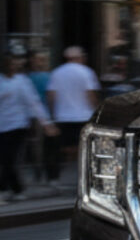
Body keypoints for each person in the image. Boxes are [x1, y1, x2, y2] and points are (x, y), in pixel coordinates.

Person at [0, 43, 58, 202]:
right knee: (5, 159)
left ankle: (10, 189)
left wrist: (46, 123)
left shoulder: (22, 81)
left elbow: (33, 103)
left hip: (17, 125)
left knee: (9, 159)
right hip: (2, 125)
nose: (12, 66)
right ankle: (13, 189)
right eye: (9, 64)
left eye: (14, 63)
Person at [46, 45, 101, 168]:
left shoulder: (56, 72)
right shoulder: (86, 72)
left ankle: (66, 167)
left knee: (65, 145)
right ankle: (80, 168)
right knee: (84, 145)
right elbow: (90, 94)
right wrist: (97, 111)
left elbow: (51, 95)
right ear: (80, 57)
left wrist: (52, 113)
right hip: (84, 115)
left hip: (63, 116)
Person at [28, 50, 61, 188]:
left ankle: (45, 173)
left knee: (44, 146)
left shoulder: (49, 76)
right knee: (36, 146)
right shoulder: (28, 77)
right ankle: (38, 171)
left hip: (45, 115)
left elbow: (52, 96)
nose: (40, 62)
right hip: (34, 116)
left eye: (42, 59)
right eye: (37, 59)